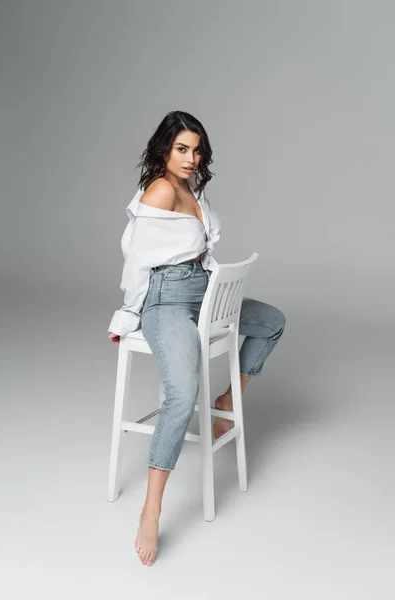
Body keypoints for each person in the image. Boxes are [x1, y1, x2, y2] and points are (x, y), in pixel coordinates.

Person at [108, 110, 286, 567]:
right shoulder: (162, 189)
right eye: (182, 148)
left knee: (270, 322)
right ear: (165, 149)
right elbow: (137, 259)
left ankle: (226, 404)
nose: (190, 158)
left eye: (196, 149)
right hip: (166, 300)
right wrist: (128, 313)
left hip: (203, 293)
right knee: (182, 393)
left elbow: (199, 251)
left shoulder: (193, 189)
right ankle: (152, 510)